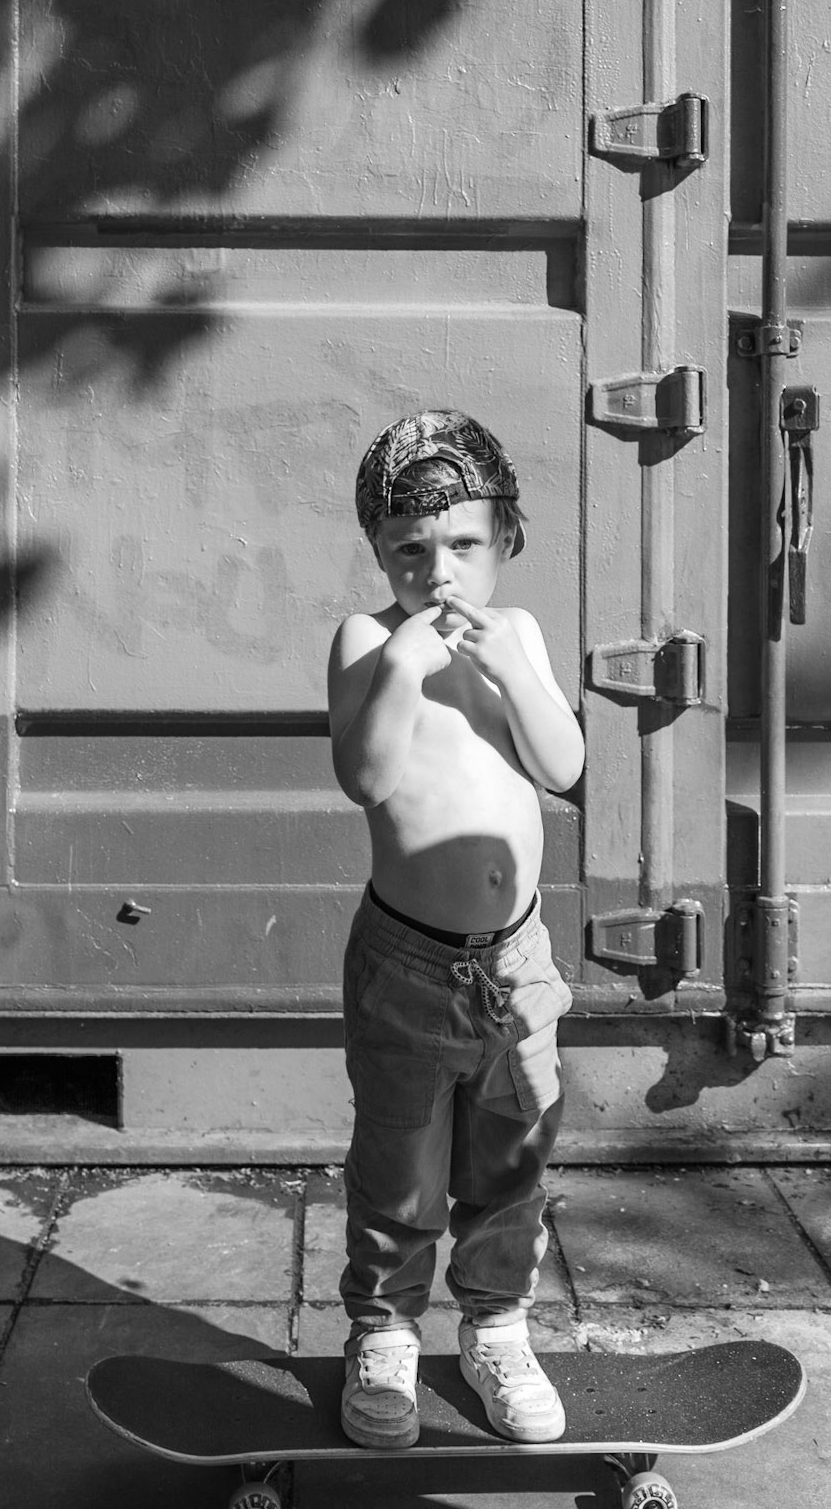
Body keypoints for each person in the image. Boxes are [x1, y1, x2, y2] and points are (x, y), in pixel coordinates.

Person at [327, 408, 584, 1450]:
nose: (441, 573)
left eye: (466, 546)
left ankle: (497, 1325)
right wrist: (401, 668)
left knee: (512, 1151)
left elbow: (562, 765)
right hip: (408, 965)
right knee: (397, 1162)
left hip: (516, 964)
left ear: (507, 541)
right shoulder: (366, 641)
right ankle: (384, 1332)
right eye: (411, 551)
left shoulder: (517, 633)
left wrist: (514, 671)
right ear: (379, 554)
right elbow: (365, 775)